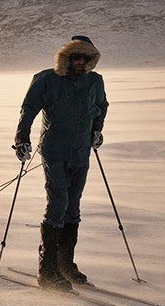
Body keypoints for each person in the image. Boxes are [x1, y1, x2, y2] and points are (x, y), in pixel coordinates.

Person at [13, 35, 109, 291]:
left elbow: (101, 106)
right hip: (54, 151)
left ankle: (66, 265)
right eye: (75, 56)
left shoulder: (94, 81)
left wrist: (97, 130)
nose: (80, 62)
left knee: (73, 207)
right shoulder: (47, 79)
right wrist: (22, 137)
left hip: (81, 153)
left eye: (85, 57)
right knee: (58, 204)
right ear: (66, 57)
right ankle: (48, 270)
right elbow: (29, 107)